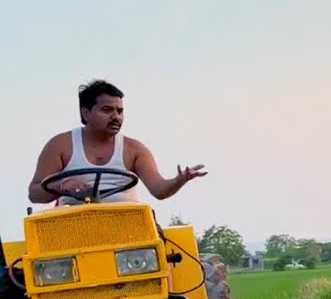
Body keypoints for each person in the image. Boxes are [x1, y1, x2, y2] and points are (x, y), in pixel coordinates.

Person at [27, 79, 206, 206]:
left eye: (120, 111)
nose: (116, 117)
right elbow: (34, 193)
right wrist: (61, 186)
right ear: (86, 113)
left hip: (127, 226)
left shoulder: (134, 149)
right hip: (74, 225)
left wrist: (178, 181)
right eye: (107, 110)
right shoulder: (60, 145)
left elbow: (158, 190)